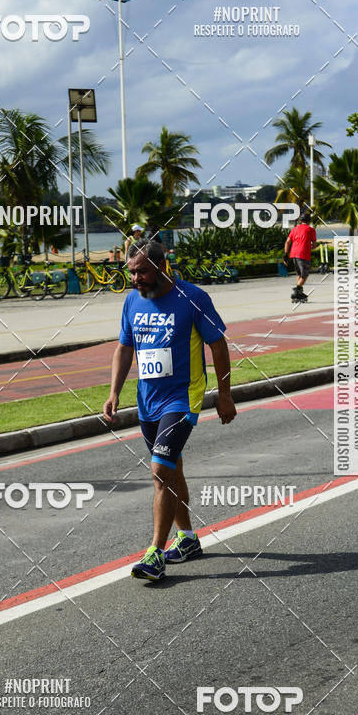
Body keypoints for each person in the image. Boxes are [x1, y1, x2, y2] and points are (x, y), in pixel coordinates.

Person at [103, 238, 237, 582]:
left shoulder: (193, 298)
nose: (135, 279)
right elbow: (124, 347)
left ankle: (155, 554)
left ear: (162, 266)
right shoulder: (132, 301)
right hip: (148, 399)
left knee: (161, 469)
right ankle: (188, 538)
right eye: (131, 272)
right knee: (172, 468)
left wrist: (224, 394)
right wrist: (114, 392)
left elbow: (218, 345)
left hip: (182, 397)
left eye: (142, 272)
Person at [284, 210, 317, 301]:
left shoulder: (294, 229)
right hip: (303, 254)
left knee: (299, 274)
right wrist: (311, 246)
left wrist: (286, 254)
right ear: (309, 221)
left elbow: (287, 242)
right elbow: (314, 246)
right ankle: (296, 292)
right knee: (304, 275)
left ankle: (299, 293)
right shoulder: (311, 230)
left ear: (300, 221)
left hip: (293, 254)